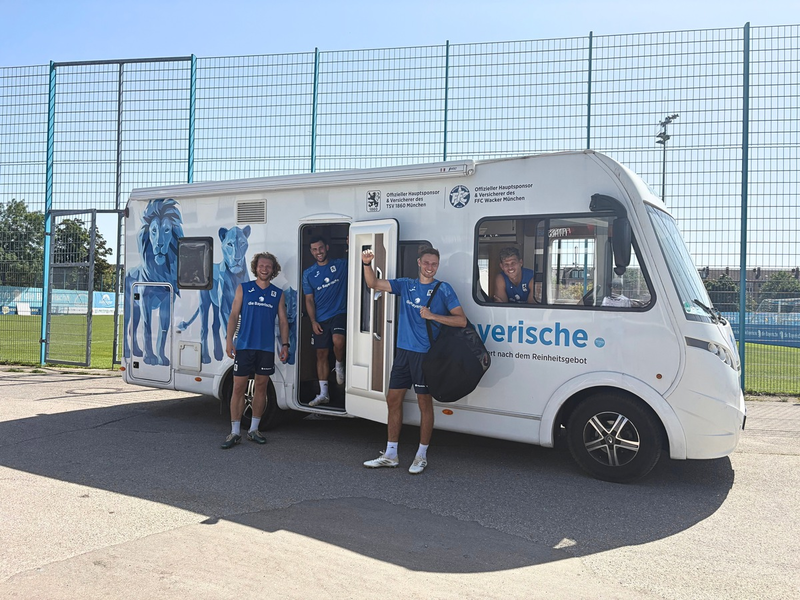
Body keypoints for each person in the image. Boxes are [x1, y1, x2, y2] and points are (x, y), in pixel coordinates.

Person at [361, 246, 466, 474]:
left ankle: (421, 455)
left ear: (438, 266)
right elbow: (373, 284)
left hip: (426, 356)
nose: (430, 267)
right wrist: (367, 264)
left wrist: (432, 316)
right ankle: (390, 454)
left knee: (424, 405)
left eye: (434, 264)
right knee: (393, 400)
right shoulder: (406, 285)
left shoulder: (443, 289)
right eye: (426, 263)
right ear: (419, 262)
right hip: (403, 353)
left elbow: (461, 321)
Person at [221, 252, 289, 449]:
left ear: (273, 270)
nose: (265, 269)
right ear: (256, 268)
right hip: (244, 347)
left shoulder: (277, 293)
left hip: (266, 349)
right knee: (238, 388)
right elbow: (234, 315)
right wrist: (229, 340)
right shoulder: (244, 289)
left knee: (261, 388)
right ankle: (234, 432)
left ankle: (253, 430)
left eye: (268, 266)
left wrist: (285, 345)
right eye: (261, 265)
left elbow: (283, 321)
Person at [302, 235, 348, 407]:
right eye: (314, 249)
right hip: (320, 318)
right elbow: (309, 300)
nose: (318, 252)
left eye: (320, 248)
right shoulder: (308, 273)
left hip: (339, 313)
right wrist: (313, 321)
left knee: (338, 341)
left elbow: (359, 263)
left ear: (327, 247)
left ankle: (339, 364)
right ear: (311, 251)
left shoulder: (341, 265)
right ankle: (323, 394)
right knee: (321, 354)